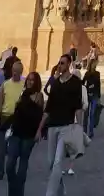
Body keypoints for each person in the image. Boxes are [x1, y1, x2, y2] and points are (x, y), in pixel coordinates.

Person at [40, 53, 84, 195]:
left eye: (62, 63)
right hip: (52, 126)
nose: (60, 65)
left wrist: (79, 128)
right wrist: (39, 128)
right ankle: (61, 191)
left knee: (58, 161)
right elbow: (48, 107)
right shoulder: (55, 83)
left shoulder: (76, 82)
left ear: (69, 64)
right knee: (51, 162)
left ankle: (50, 193)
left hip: (66, 126)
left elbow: (78, 107)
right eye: (59, 63)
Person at [5, 71, 45, 196]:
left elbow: (41, 115)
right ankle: (14, 189)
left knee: (23, 162)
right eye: (28, 79)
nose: (29, 82)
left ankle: (18, 192)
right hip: (16, 131)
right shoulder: (23, 93)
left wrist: (39, 131)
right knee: (10, 164)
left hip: (29, 134)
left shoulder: (38, 96)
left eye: (32, 80)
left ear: (36, 82)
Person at [0, 58, 25, 178]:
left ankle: (11, 170)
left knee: (13, 150)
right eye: (13, 70)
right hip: (5, 118)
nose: (15, 73)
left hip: (17, 120)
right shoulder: (5, 84)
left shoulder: (24, 85)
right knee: (2, 149)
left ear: (21, 72)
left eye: (17, 71)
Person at [82, 58, 101, 140]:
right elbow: (82, 82)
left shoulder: (97, 73)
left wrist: (99, 97)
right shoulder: (87, 73)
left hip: (95, 95)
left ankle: (91, 132)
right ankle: (84, 131)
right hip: (87, 95)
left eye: (95, 64)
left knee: (92, 114)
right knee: (86, 114)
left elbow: (98, 85)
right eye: (94, 64)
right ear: (91, 65)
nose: (95, 65)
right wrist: (87, 88)